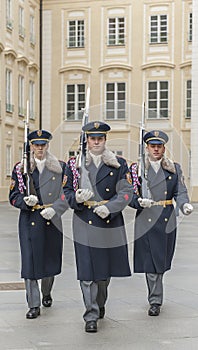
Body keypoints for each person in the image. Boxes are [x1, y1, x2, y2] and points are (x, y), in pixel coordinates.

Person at [63, 121, 133, 333]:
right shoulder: (74, 165)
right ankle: (90, 314)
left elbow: (127, 192)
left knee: (103, 273)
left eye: (100, 138)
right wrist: (75, 197)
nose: (96, 142)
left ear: (105, 140)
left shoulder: (118, 164)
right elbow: (64, 192)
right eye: (92, 138)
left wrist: (110, 207)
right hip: (84, 220)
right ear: (87, 141)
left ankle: (100, 302)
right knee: (87, 271)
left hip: (108, 222)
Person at [129, 129, 193, 317]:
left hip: (165, 217)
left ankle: (155, 292)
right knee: (150, 262)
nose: (156, 149)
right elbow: (129, 193)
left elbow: (179, 191)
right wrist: (137, 201)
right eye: (152, 146)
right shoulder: (137, 169)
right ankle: (155, 300)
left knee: (161, 260)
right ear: (146, 148)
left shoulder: (174, 168)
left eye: (159, 146)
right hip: (145, 218)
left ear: (164, 148)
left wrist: (184, 204)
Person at [9, 130, 68, 319]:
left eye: (43, 145)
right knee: (30, 261)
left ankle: (47, 291)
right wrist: (25, 202)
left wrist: (56, 209)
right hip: (30, 220)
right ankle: (33, 304)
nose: (40, 148)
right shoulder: (21, 169)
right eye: (36, 145)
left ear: (47, 145)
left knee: (50, 259)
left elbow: (66, 194)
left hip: (51, 219)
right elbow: (13, 196)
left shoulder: (60, 167)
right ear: (31, 147)